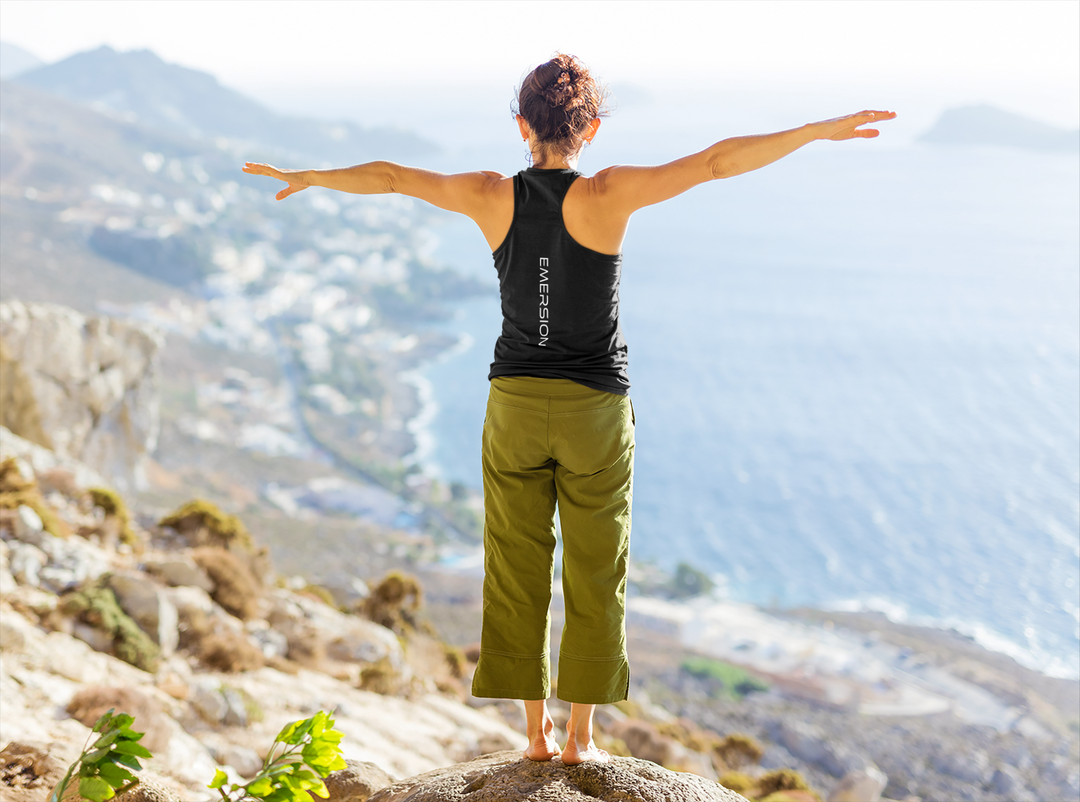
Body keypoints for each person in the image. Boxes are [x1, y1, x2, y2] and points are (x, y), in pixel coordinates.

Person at [243, 53, 895, 764]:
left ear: (522, 124)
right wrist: (813, 130)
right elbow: (714, 163)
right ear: (592, 128)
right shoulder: (609, 193)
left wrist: (309, 177)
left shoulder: (488, 194)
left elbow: (392, 176)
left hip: (516, 407)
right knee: (596, 569)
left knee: (517, 566)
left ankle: (535, 735)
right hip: (594, 413)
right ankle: (582, 736)